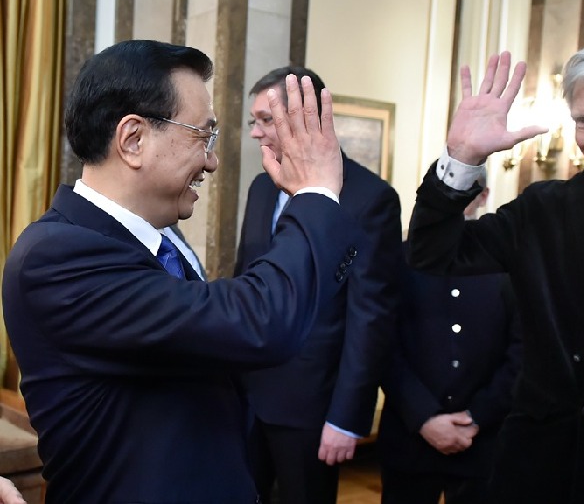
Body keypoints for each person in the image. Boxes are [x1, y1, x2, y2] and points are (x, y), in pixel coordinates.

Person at [2, 40, 362, 503]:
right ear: (133, 140)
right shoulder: (56, 256)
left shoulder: (160, 237)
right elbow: (258, 320)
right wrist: (315, 194)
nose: (211, 161)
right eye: (202, 136)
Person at [407, 29, 584, 503]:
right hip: (543, 472)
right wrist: (463, 157)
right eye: (583, 121)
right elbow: (432, 253)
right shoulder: (545, 208)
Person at [235, 66, 402, 504]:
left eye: (265, 120)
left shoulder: (370, 198)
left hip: (311, 406)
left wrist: (346, 417)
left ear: (305, 116)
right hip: (248, 394)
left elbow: (370, 317)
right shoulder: (260, 188)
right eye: (254, 120)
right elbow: (245, 283)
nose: (255, 132)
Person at [378, 187, 522, 504]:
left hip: (485, 444)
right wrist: (424, 417)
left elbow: (521, 352)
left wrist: (476, 417)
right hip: (409, 439)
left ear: (483, 195)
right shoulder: (396, 259)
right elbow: (382, 345)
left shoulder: (510, 263)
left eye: (466, 189)